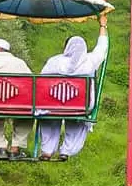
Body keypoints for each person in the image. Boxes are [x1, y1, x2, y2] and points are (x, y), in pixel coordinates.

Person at [39, 15, 109, 161]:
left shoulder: (55, 61)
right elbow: (102, 49)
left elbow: (42, 79)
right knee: (77, 123)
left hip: (52, 104)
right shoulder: (89, 61)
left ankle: (47, 150)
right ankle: (67, 151)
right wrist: (103, 26)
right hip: (79, 106)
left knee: (50, 119)